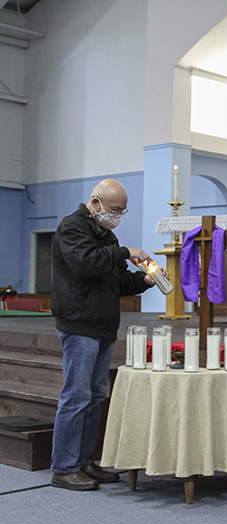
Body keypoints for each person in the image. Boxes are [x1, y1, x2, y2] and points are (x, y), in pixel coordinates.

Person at [50, 178, 163, 491]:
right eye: (115, 209)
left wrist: (145, 281)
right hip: (78, 326)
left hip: (102, 326)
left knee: (95, 396)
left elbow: (117, 282)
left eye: (123, 212)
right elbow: (85, 264)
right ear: (95, 202)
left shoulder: (108, 236)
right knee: (76, 396)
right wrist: (126, 251)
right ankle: (64, 467)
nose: (117, 216)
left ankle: (85, 462)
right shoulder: (71, 227)